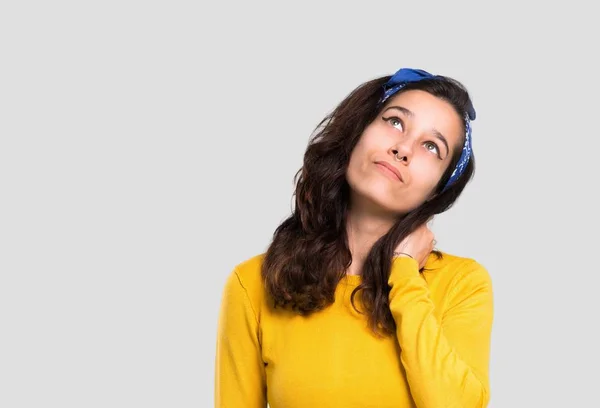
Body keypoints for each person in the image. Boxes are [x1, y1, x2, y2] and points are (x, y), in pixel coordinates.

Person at [214, 68, 494, 408]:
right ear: (357, 131)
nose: (403, 148)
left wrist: (404, 275)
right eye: (394, 122)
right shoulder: (253, 285)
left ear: (438, 189)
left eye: (432, 146)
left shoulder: (462, 285)